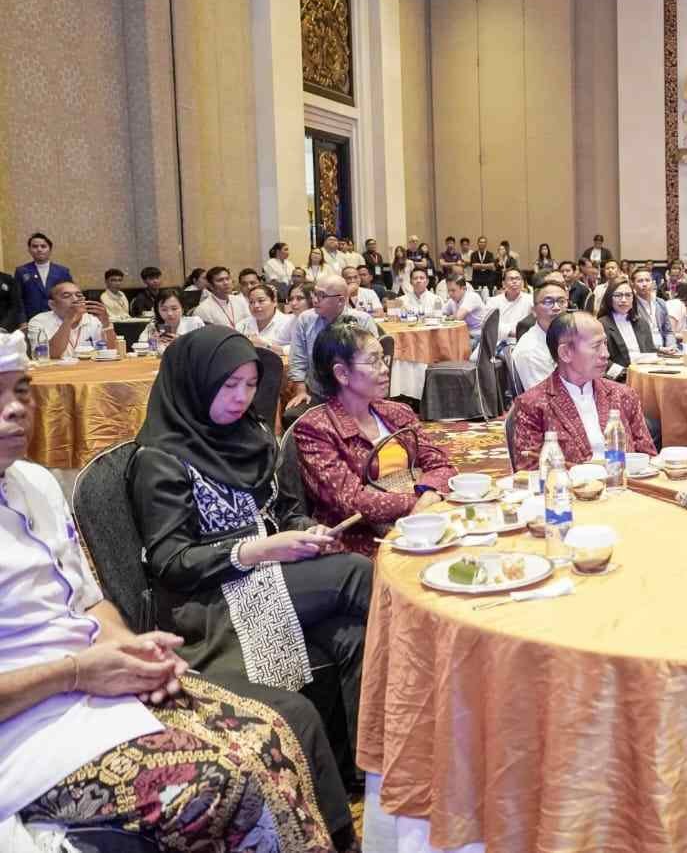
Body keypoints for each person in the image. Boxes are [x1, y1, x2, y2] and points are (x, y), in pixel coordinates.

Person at [0, 329, 353, 852]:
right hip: (28, 730)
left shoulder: (37, 484)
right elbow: (173, 561)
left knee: (286, 723)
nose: (14, 409)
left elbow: (90, 600)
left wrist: (128, 647)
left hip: (96, 681)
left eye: (21, 390)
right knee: (222, 784)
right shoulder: (162, 458)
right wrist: (77, 672)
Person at [128, 326, 373, 798]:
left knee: (353, 636)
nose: (241, 397)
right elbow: (170, 560)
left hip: (270, 577)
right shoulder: (160, 457)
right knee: (357, 573)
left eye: (250, 384)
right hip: (211, 597)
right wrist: (255, 550)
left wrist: (306, 532)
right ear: (196, 384)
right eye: (228, 385)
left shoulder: (252, 434)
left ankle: (365, 772)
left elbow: (282, 509)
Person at [293, 321, 456, 556]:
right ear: (342, 374)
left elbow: (442, 465)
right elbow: (352, 502)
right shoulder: (315, 428)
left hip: (424, 525)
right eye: (373, 361)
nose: (385, 369)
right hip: (363, 543)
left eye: (383, 359)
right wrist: (420, 501)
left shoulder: (398, 412)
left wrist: (428, 496)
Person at [511, 311, 656, 465]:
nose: (606, 354)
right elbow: (529, 471)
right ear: (565, 353)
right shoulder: (533, 404)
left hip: (625, 478)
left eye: (605, 344)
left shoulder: (623, 395)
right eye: (596, 346)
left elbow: (648, 458)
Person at [286, 274, 381, 412]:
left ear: (340, 300)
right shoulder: (305, 319)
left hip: (356, 393)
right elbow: (298, 359)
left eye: (321, 295)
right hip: (317, 394)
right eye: (314, 294)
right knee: (292, 414)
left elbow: (373, 361)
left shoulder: (363, 320)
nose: (314, 300)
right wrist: (301, 391)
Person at [510, 277, 570, 391]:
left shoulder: (563, 336)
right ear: (534, 311)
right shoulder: (530, 351)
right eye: (548, 302)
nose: (556, 307)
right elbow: (546, 397)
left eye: (561, 301)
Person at [27, 281, 114, 358]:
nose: (75, 299)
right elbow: (50, 355)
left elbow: (112, 351)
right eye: (66, 296)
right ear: (52, 304)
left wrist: (106, 324)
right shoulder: (39, 321)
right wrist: (68, 320)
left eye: (79, 295)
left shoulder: (94, 320)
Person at [598, 281, 656, 380]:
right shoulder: (601, 324)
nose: (624, 300)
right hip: (618, 378)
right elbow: (599, 358)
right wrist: (624, 373)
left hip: (645, 374)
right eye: (618, 295)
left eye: (628, 295)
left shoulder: (642, 323)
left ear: (633, 298)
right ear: (609, 298)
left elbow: (650, 352)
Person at [16, 232, 71, 320]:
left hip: (58, 317)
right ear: (29, 250)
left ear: (50, 249)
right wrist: (22, 321)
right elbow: (18, 299)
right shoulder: (22, 271)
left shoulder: (63, 271)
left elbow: (70, 296)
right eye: (35, 246)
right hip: (32, 318)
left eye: (43, 246)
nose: (39, 249)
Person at [137, 288, 205, 349]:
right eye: (164, 309)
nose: (169, 313)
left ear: (183, 308)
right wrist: (153, 343)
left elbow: (205, 346)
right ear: (158, 310)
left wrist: (182, 342)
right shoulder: (153, 326)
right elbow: (140, 346)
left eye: (174, 309)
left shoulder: (195, 323)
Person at [235, 284, 295, 351]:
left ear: (274, 302)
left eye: (261, 301)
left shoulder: (288, 323)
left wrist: (267, 346)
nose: (256, 306)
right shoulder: (242, 325)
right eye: (251, 302)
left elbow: (297, 349)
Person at [631, 265, 676, 351]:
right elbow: (636, 336)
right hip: (644, 350)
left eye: (647, 280)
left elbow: (668, 331)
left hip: (664, 349)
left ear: (653, 282)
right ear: (633, 284)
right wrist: (659, 349)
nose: (644, 284)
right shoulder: (631, 305)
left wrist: (671, 346)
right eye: (640, 281)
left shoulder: (660, 303)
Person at [486, 267, 533, 342]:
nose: (514, 281)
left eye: (518, 279)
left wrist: (505, 329)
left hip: (523, 342)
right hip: (498, 342)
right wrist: (513, 332)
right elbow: (489, 326)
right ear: (503, 284)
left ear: (522, 283)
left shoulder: (531, 300)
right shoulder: (493, 302)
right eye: (511, 279)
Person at [444, 274, 487, 347]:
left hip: (478, 337)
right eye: (448, 290)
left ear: (463, 288)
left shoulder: (472, 297)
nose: (450, 294)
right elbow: (439, 313)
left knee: (451, 346)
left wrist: (449, 317)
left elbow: (458, 317)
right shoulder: (452, 300)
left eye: (453, 290)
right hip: (463, 335)